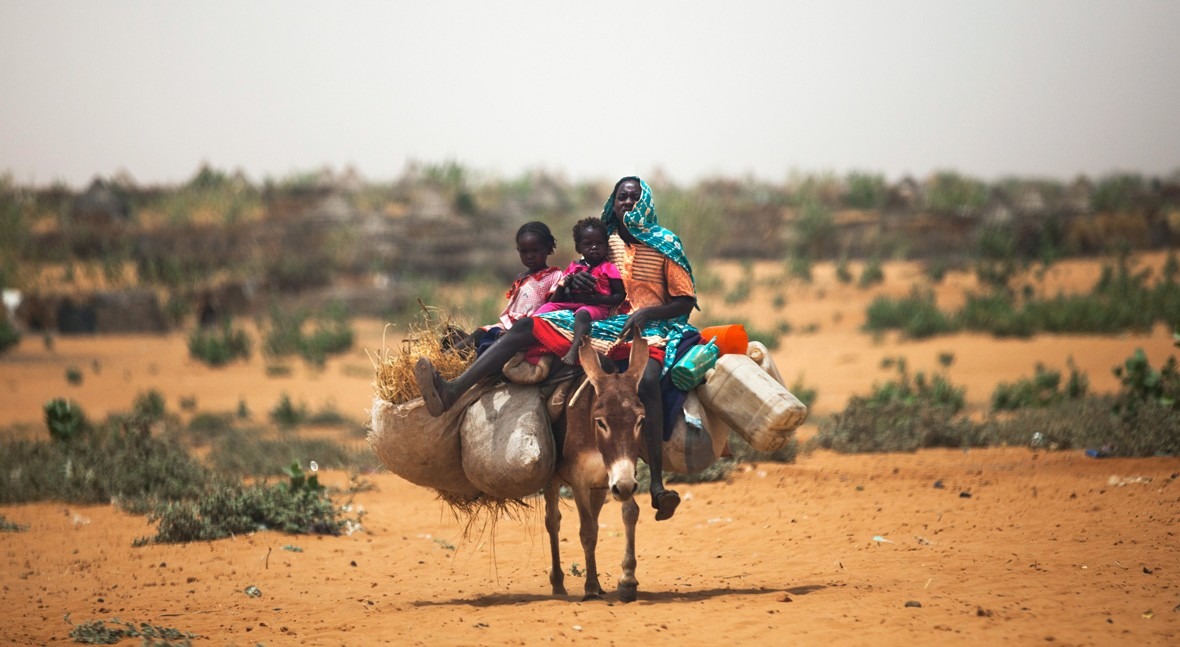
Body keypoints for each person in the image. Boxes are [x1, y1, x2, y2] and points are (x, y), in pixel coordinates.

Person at [415, 176, 697, 522]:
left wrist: (650, 312)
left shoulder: (665, 243)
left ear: (647, 204)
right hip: (607, 323)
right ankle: (453, 389)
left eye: (634, 198)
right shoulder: (606, 240)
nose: (627, 204)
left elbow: (685, 303)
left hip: (656, 328)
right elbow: (592, 276)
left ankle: (656, 484)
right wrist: (571, 285)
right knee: (527, 328)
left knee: (649, 381)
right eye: (621, 197)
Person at [452, 221, 563, 354]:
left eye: (535, 250)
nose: (530, 256)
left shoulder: (554, 276)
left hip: (528, 329)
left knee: (492, 341)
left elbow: (551, 306)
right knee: (480, 332)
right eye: (524, 251)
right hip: (508, 325)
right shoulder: (521, 277)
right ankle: (442, 358)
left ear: (549, 248)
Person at [532, 217, 626, 365]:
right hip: (572, 304)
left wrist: (599, 299)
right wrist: (567, 283)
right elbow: (562, 292)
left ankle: (575, 349)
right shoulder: (574, 267)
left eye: (599, 243)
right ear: (578, 248)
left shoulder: (608, 268)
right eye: (588, 244)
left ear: (606, 246)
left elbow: (620, 294)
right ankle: (534, 332)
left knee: (583, 314)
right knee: (546, 307)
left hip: (597, 307)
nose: (594, 247)